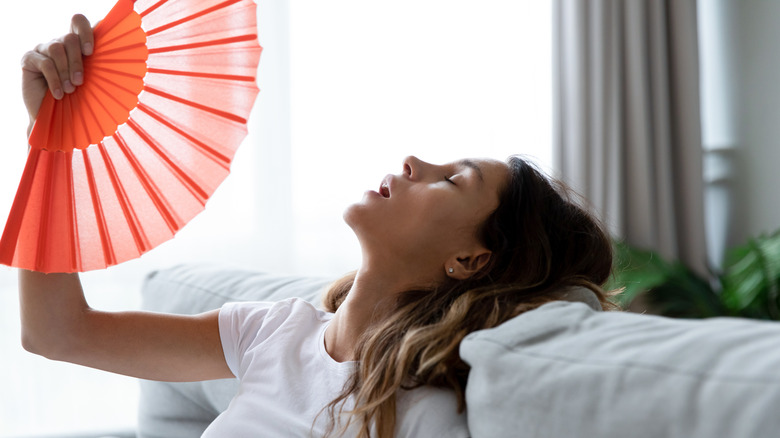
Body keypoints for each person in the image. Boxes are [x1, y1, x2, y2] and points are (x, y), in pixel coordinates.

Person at [18, 15, 616, 438]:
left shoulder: (421, 413)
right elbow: (59, 333)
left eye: (452, 180)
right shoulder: (275, 331)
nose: (413, 161)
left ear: (471, 260)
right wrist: (53, 139)